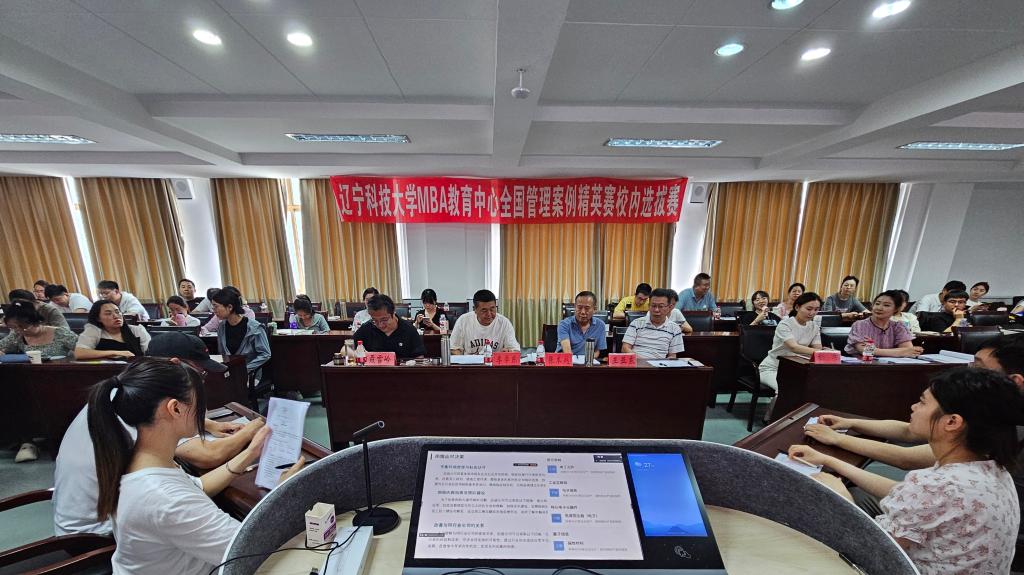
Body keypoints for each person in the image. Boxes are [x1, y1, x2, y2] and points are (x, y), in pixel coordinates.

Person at [790, 367, 1022, 575]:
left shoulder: (936, 485)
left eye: (922, 402)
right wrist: (832, 462)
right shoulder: (993, 468)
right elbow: (907, 494)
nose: (913, 407)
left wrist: (840, 496)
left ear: (952, 422)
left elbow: (866, 549)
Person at [86, 358, 303, 573]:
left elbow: (197, 485)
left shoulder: (142, 458)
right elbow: (251, 550)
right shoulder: (165, 498)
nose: (203, 410)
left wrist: (250, 452)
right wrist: (282, 492)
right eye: (200, 402)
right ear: (175, 409)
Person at [55, 333, 265, 535]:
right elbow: (242, 547)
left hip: (98, 519)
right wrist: (250, 431)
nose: (202, 382)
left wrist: (250, 452)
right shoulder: (162, 490)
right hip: (96, 534)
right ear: (175, 365)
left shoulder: (124, 396)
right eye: (199, 374)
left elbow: (196, 486)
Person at [1, 300, 79, 462]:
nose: (20, 331)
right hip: (29, 382)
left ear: (35, 320)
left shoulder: (60, 333)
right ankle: (28, 442)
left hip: (61, 381)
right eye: (14, 328)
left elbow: (84, 351)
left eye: (24, 327)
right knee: (13, 395)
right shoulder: (17, 335)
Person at [757, 292, 823, 413]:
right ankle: (772, 420)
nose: (812, 313)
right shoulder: (785, 324)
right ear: (797, 307)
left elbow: (817, 348)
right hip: (772, 368)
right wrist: (821, 352)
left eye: (816, 309)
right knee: (785, 389)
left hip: (796, 369)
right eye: (809, 309)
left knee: (812, 389)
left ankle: (797, 418)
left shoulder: (814, 327)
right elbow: (794, 347)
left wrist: (824, 351)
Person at [845, 290, 923, 357]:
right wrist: (900, 352)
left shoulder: (898, 327)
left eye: (886, 305)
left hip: (890, 367)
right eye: (877, 304)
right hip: (863, 365)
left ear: (896, 309)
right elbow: (866, 351)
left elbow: (909, 351)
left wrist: (876, 350)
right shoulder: (860, 325)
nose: (879, 308)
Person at [212, 288, 270, 377]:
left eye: (216, 306)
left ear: (230, 307)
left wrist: (244, 370)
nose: (213, 310)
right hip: (230, 374)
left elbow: (265, 354)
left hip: (250, 375)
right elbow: (222, 353)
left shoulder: (255, 328)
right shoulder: (221, 327)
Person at [348, 294, 425, 359]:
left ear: (393, 312)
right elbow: (345, 349)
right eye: (375, 320)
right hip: (375, 371)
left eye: (384, 320)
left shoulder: (408, 329)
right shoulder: (367, 327)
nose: (380, 325)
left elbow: (419, 357)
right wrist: (357, 355)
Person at [449, 289, 520, 355]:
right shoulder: (463, 321)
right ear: (475, 310)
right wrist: (463, 359)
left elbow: (515, 350)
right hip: (470, 363)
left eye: (492, 309)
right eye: (484, 310)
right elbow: (454, 349)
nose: (489, 314)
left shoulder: (504, 323)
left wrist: (508, 352)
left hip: (495, 363)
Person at [75, 300, 151, 360]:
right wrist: (115, 353)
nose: (116, 316)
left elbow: (150, 354)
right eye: (108, 313)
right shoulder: (94, 331)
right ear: (98, 319)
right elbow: (79, 353)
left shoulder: (137, 330)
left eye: (117, 312)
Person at [621, 288, 684, 359]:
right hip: (637, 362)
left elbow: (672, 355)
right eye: (653, 306)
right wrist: (644, 362)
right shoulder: (636, 323)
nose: (656, 310)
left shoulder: (675, 329)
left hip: (659, 364)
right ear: (649, 306)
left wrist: (664, 363)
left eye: (661, 306)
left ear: (669, 307)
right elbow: (625, 348)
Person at [558, 291, 608, 355]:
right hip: (567, 360)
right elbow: (567, 352)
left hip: (588, 360)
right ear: (575, 307)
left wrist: (588, 359)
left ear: (594, 309)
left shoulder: (600, 325)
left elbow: (597, 351)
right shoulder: (564, 324)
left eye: (587, 308)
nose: (583, 312)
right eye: (579, 307)